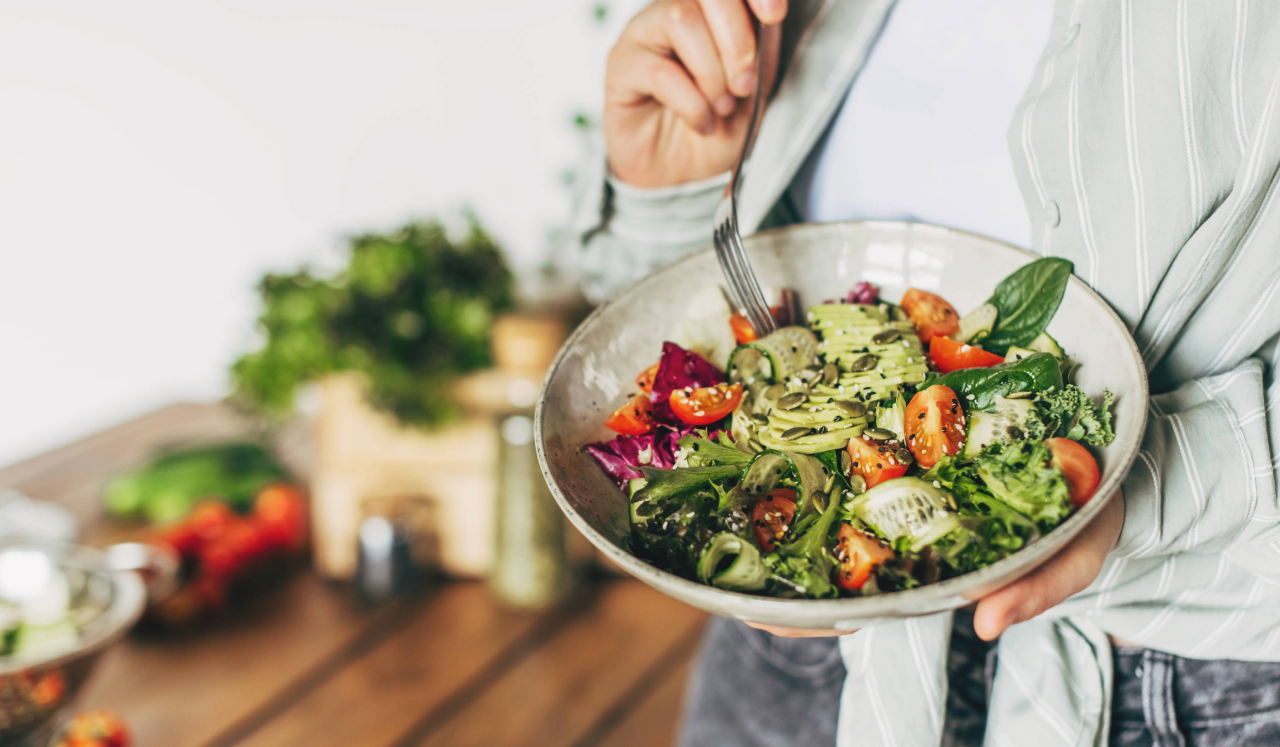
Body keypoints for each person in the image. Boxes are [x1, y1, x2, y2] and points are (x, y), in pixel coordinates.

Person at [573, 1, 1280, 745]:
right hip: (797, 643)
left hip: (1184, 684)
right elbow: (666, 329)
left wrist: (1156, 477)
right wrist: (680, 190)